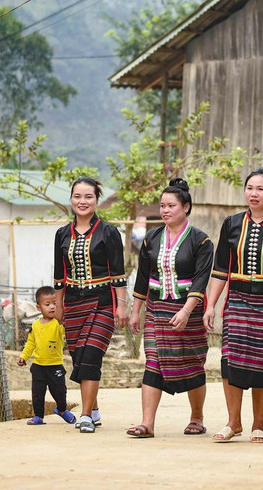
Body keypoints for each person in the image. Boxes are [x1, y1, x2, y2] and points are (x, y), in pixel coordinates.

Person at [203, 168, 263, 444]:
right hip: (237, 303)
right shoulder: (231, 223)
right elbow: (221, 269)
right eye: (250, 188)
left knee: (262, 364)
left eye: (260, 189)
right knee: (230, 361)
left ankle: (258, 425)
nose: (254, 194)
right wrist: (211, 305)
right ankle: (234, 423)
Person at [126, 179, 214, 438]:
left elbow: (201, 278)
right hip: (156, 309)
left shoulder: (201, 241)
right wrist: (135, 311)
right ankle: (147, 424)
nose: (165, 210)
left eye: (171, 205)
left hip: (189, 310)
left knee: (193, 363)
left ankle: (196, 418)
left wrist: (186, 311)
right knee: (153, 361)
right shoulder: (151, 238)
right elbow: (143, 276)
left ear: (186, 207)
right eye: (162, 206)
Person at [53, 177, 128, 433]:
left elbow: (118, 274)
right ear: (71, 199)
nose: (82, 202)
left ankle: (85, 416)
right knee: (79, 357)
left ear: (97, 200)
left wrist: (122, 306)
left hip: (103, 302)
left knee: (92, 355)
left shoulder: (109, 232)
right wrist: (59, 306)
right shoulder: (62, 234)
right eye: (77, 196)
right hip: (73, 304)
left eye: (88, 197)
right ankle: (94, 410)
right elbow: (59, 274)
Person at [17, 286, 76, 425]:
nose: (52, 307)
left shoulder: (58, 324)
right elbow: (30, 344)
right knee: (38, 393)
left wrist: (63, 319)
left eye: (55, 304)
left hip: (55, 365)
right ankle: (38, 416)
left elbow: (65, 330)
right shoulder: (36, 325)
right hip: (38, 366)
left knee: (60, 392)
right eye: (47, 304)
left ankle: (62, 410)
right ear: (39, 307)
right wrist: (23, 357)